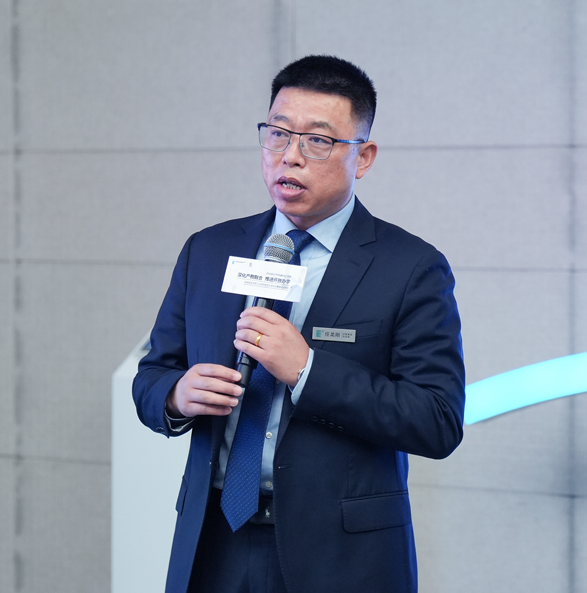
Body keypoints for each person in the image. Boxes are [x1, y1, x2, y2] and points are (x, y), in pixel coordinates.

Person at [133, 55, 465, 593]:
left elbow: (436, 420)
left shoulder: (410, 267)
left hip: (340, 557)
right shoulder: (209, 250)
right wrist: (176, 396)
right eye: (278, 134)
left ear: (363, 157)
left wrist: (308, 370)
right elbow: (152, 376)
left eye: (318, 141)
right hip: (212, 540)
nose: (290, 156)